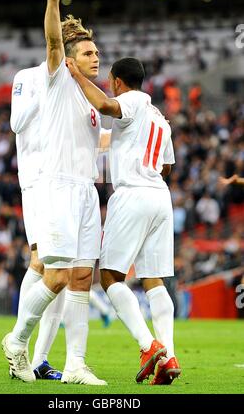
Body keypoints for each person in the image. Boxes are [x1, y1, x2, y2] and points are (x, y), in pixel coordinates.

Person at [2, 0, 107, 385]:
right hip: (55, 187)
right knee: (56, 274)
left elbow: (99, 141)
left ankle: (76, 365)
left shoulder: (89, 95)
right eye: (88, 52)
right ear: (69, 58)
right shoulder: (56, 76)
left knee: (81, 278)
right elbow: (51, 42)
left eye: (96, 51)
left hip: (85, 190)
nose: (96, 57)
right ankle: (17, 340)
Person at [66, 56, 181, 385]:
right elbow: (168, 167)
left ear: (118, 81)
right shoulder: (160, 118)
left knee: (111, 278)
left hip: (132, 195)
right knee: (154, 280)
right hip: (160, 196)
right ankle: (169, 356)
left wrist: (76, 74)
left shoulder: (130, 99)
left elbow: (104, 105)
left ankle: (149, 348)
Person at [9, 62, 65, 380]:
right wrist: (46, 91)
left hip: (67, 181)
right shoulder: (27, 77)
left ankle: (38, 359)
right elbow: (17, 122)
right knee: (44, 262)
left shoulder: (74, 82)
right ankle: (20, 349)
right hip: (37, 181)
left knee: (62, 267)